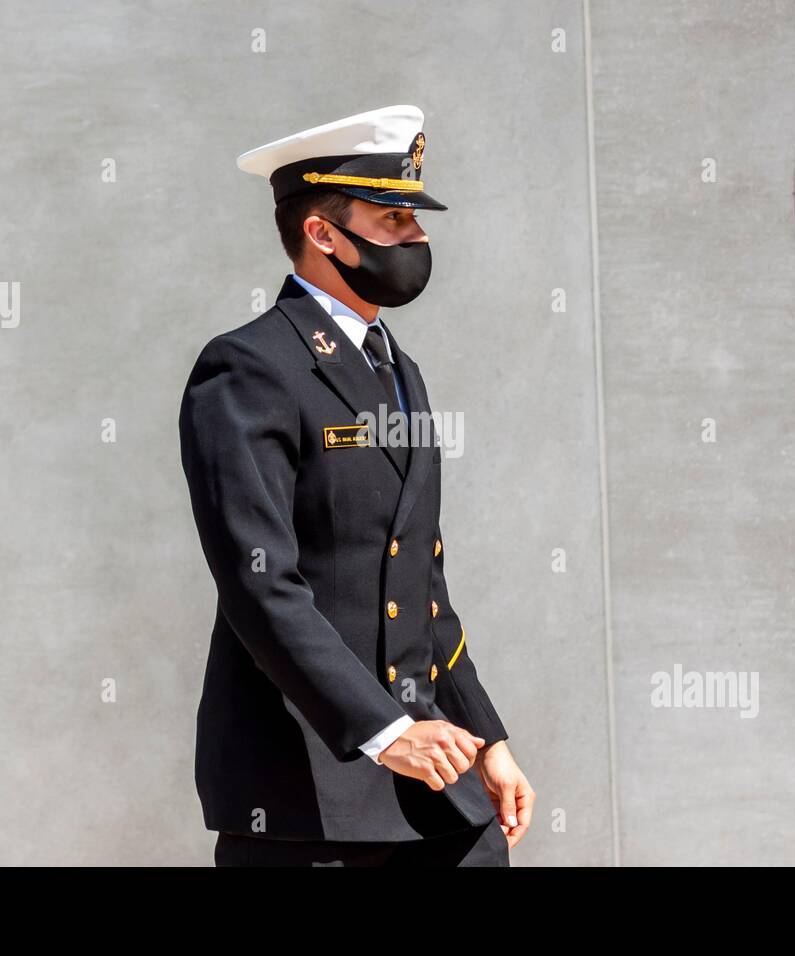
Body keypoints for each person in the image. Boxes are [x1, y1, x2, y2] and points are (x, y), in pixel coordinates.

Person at [179, 105, 533, 866]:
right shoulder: (248, 369)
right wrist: (388, 732)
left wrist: (487, 735)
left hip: (435, 783)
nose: (418, 238)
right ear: (322, 234)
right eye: (393, 219)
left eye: (418, 220)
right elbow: (262, 585)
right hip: (311, 795)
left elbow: (422, 583)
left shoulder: (400, 370)